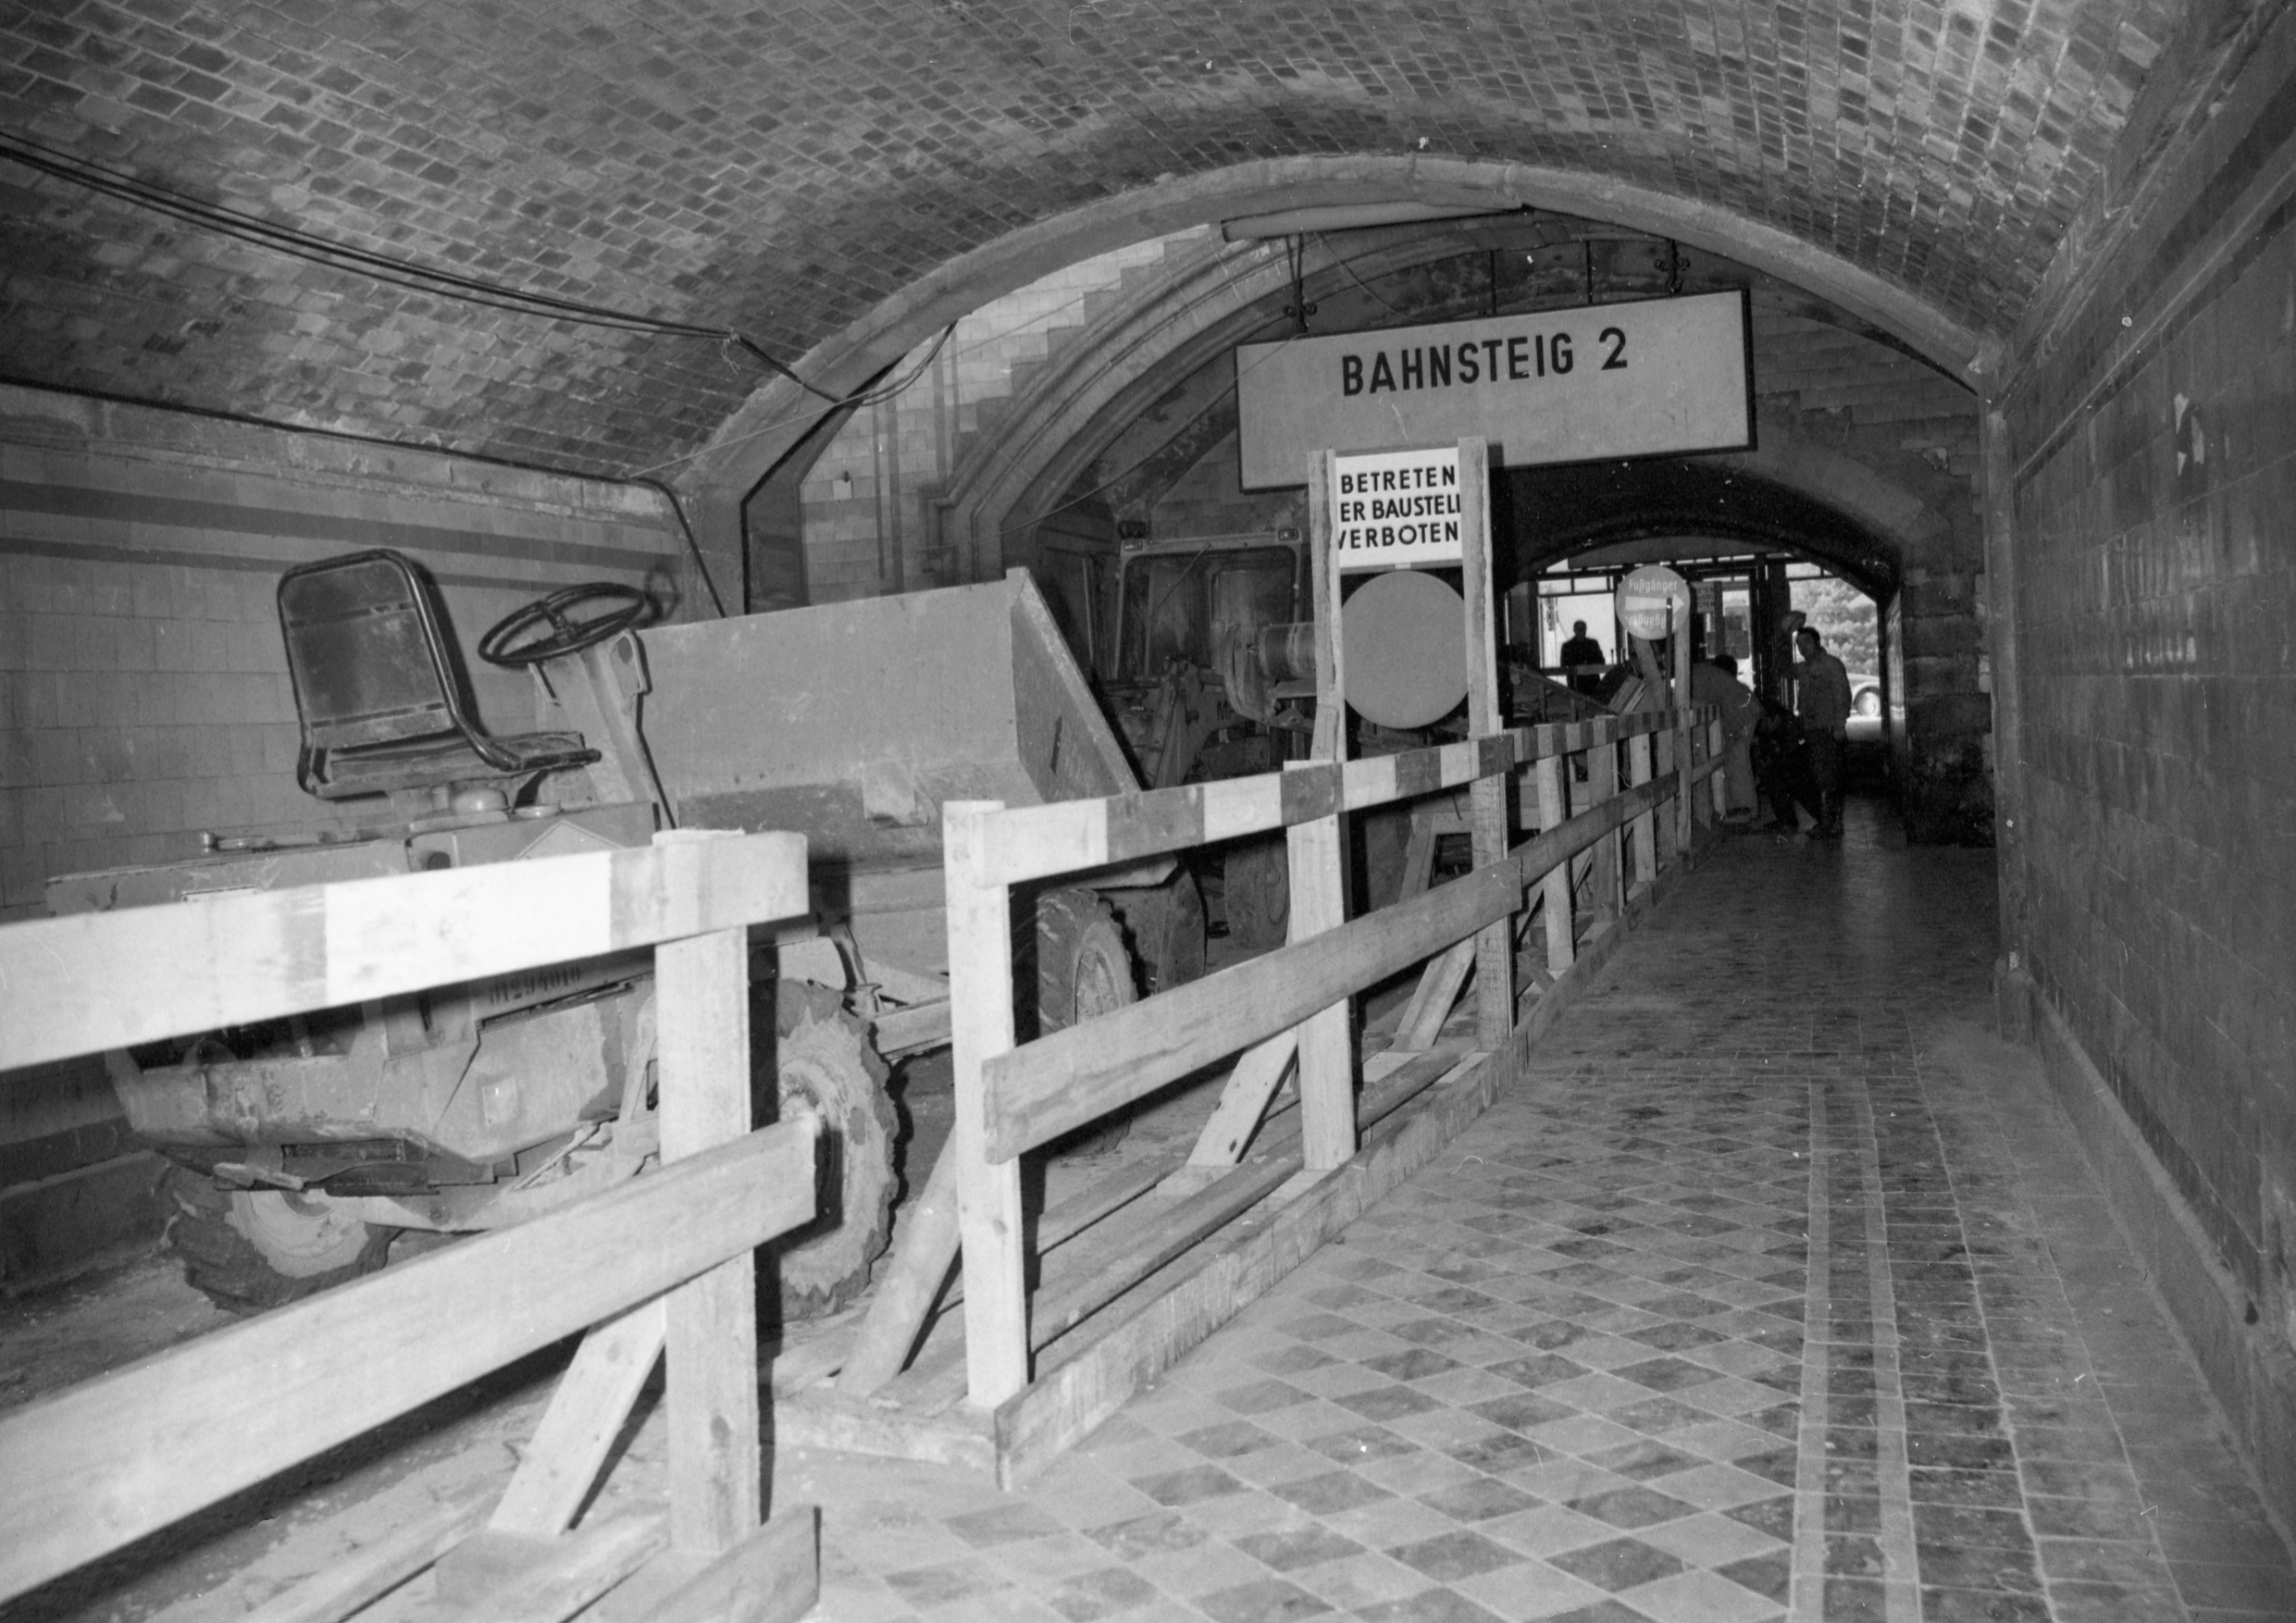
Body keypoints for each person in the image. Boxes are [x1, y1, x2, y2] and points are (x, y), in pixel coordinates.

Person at [1793, 625, 1854, 836]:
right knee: (1820, 776)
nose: (1802, 647)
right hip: (1812, 730)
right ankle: (1828, 823)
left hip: (1828, 729)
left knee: (1828, 777)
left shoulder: (1831, 665)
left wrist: (1839, 725)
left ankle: (1832, 825)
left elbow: (1842, 695)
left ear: (1817, 642)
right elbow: (1782, 668)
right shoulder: (1803, 668)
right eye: (1798, 644)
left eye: (1806, 642)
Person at [1689, 653, 1760, 821]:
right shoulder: (1702, 672)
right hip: (1743, 712)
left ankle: (1746, 809)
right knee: (1735, 759)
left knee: (1737, 760)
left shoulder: (1695, 674)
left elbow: (1701, 705)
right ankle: (1740, 808)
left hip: (1740, 715)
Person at [1560, 620, 1604, 695]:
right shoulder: (1567, 646)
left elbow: (1601, 661)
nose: (1582, 632)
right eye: (1579, 629)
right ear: (1574, 630)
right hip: (1575, 683)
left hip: (1592, 682)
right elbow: (1564, 666)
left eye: (1583, 629)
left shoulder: (1593, 644)